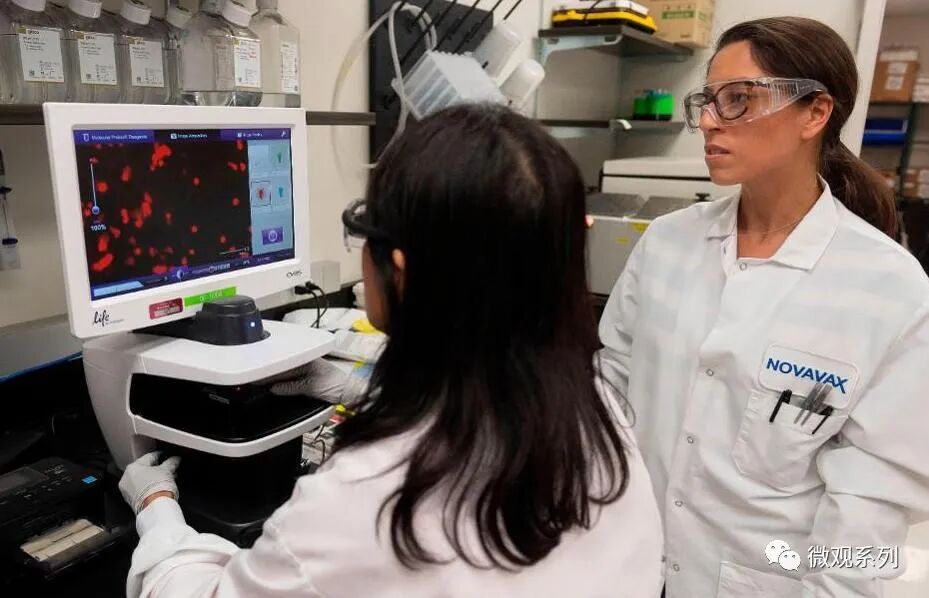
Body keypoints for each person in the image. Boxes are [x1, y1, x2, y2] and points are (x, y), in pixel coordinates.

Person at [118, 104, 665, 598]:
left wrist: (158, 513)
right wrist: (363, 389)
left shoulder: (365, 500)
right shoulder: (601, 417)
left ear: (400, 271)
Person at [598, 15, 929, 597]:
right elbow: (612, 389)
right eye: (707, 100)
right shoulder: (667, 243)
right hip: (630, 566)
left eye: (738, 100)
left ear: (815, 113)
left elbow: (873, 501)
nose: (708, 120)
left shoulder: (890, 288)